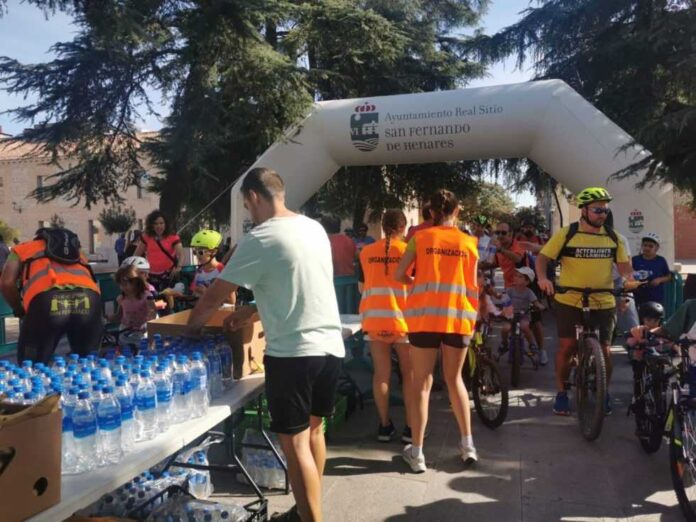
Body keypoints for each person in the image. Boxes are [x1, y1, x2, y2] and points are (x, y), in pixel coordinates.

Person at [185, 168, 344, 522]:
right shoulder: (313, 228)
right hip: (330, 346)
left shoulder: (262, 237)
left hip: (293, 353)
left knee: (296, 444)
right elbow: (300, 283)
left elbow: (213, 297)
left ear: (254, 197)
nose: (249, 213)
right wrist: (252, 310)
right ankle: (307, 509)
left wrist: (189, 330)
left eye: (247, 206)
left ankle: (310, 518)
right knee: (315, 431)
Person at [394, 189, 479, 473]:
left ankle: (417, 452)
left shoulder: (419, 239)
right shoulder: (469, 243)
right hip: (458, 317)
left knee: (422, 382)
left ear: (430, 213)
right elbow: (472, 285)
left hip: (424, 318)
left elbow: (400, 276)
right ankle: (468, 446)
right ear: (457, 211)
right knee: (455, 380)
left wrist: (420, 281)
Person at [536, 187, 633, 416]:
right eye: (597, 210)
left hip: (603, 300)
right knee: (567, 347)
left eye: (605, 210)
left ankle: (603, 392)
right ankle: (561, 393)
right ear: (584, 210)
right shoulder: (567, 234)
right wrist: (542, 279)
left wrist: (628, 288)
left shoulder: (614, 238)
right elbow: (542, 258)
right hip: (569, 299)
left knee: (606, 351)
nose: (602, 214)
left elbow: (626, 271)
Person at [0, 227, 102, 363]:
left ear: (38, 238)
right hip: (89, 299)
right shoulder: (76, 253)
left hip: (47, 301)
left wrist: (19, 309)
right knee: (88, 364)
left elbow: (6, 283)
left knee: (32, 365)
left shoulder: (23, 249)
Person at [358, 209, 414, 444]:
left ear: (383, 226)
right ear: (403, 227)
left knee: (381, 375)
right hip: (404, 321)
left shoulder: (366, 252)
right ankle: (411, 429)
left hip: (374, 319)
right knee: (409, 375)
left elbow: (361, 287)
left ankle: (384, 427)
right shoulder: (409, 251)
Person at [498, 267, 545, 360]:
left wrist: (540, 306)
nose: (516, 278)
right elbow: (503, 298)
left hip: (523, 316)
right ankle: (504, 343)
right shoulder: (510, 290)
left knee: (525, 326)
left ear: (527, 282)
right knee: (505, 328)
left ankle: (532, 344)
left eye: (520, 277)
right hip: (510, 316)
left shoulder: (529, 292)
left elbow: (535, 302)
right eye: (515, 276)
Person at [134, 211, 185, 291]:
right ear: (151, 225)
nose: (159, 226)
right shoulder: (146, 237)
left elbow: (181, 254)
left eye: (161, 223)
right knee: (152, 300)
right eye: (156, 223)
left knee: (167, 299)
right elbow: (136, 255)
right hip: (150, 275)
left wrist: (178, 267)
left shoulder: (173, 236)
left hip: (168, 275)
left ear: (166, 224)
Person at [108, 265, 156, 346]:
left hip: (142, 331)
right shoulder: (121, 299)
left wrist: (148, 324)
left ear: (137, 282)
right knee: (125, 351)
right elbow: (119, 315)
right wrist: (108, 318)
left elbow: (152, 312)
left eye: (126, 284)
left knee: (141, 351)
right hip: (125, 330)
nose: (123, 287)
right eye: (121, 284)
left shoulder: (147, 296)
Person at [632, 232, 672, 311]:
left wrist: (659, 280)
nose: (647, 248)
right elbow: (627, 275)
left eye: (650, 246)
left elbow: (669, 276)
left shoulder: (661, 260)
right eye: (645, 245)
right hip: (638, 297)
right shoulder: (635, 260)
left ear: (656, 248)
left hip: (656, 298)